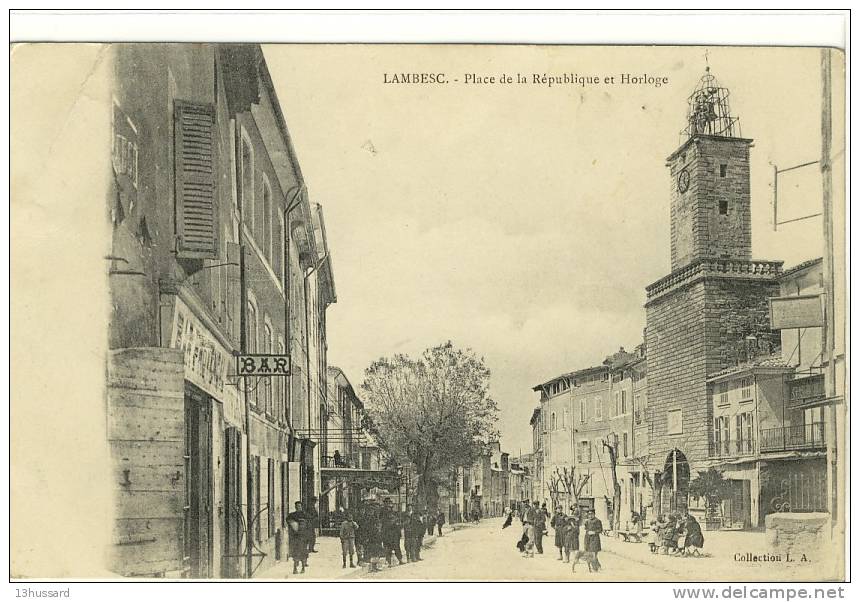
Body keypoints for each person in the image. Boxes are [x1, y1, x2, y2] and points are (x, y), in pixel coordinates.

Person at [380, 498, 404, 566]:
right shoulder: (382, 511)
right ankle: (389, 562)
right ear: (384, 503)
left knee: (396, 546)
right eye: (386, 502)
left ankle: (400, 560)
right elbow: (381, 521)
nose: (388, 504)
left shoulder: (393, 512)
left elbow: (397, 520)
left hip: (394, 533)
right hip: (386, 532)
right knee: (388, 548)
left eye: (389, 503)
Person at [286, 501, 308, 574]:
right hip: (295, 537)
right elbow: (288, 520)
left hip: (303, 537)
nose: (298, 507)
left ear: (301, 507)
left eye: (299, 506)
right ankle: (295, 568)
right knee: (295, 553)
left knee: (303, 553)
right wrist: (292, 525)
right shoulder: (292, 515)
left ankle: (303, 568)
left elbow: (309, 526)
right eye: (297, 506)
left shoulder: (305, 515)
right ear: (295, 507)